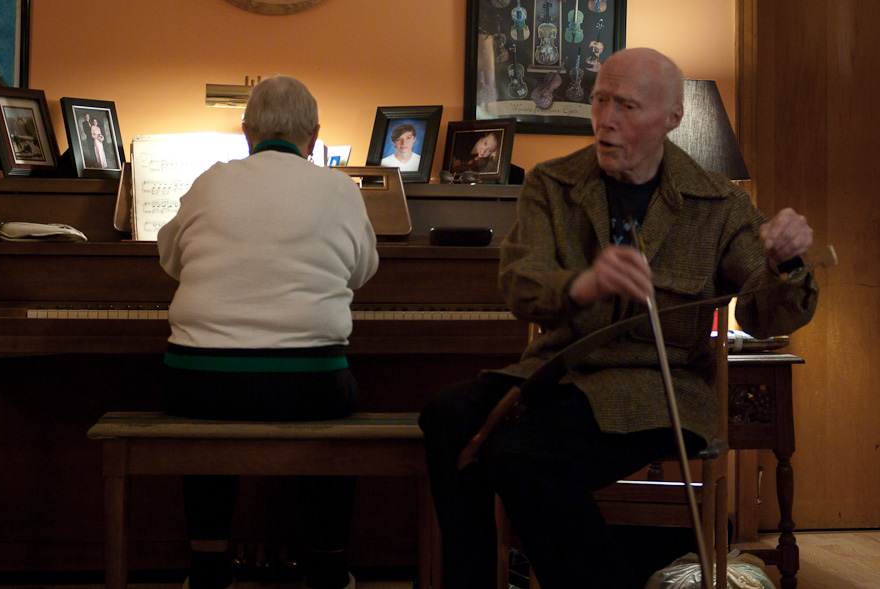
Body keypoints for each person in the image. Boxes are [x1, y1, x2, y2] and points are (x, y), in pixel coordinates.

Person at [419, 48, 819, 588]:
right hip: (559, 374)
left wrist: (785, 262)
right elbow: (519, 284)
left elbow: (764, 310)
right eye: (600, 100)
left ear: (671, 118)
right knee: (446, 414)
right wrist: (584, 284)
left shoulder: (718, 202)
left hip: (659, 388)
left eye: (626, 106)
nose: (606, 119)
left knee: (518, 452)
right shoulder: (552, 184)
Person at [157, 75, 379, 589]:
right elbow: (361, 271)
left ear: (246, 132)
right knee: (336, 402)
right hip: (309, 384)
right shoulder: (339, 189)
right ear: (315, 136)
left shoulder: (210, 181)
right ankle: (326, 569)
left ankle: (209, 571)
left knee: (208, 403)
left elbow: (170, 258)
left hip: (198, 381)